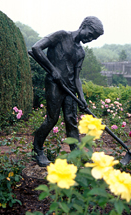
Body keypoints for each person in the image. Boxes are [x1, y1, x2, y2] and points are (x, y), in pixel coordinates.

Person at [29, 16, 104, 167]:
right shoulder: (61, 35)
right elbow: (36, 48)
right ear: (84, 25)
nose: (90, 39)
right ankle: (38, 150)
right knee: (52, 119)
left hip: (69, 88)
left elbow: (77, 78)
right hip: (54, 84)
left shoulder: (81, 52)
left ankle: (76, 154)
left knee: (71, 121)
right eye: (90, 34)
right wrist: (53, 70)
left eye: (93, 38)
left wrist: (81, 97)